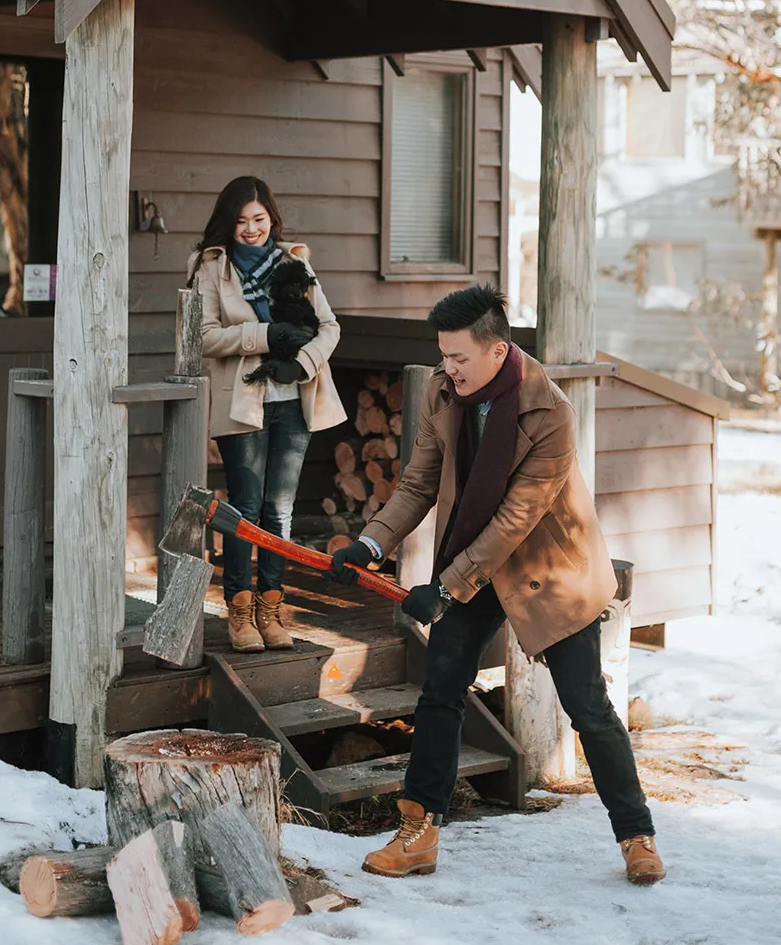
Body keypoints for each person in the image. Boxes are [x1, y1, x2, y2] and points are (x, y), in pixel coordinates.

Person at [327, 283, 664, 886]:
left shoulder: (551, 412)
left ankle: (637, 835)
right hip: (472, 561)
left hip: (546, 571)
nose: (447, 368)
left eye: (458, 357)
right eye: (443, 355)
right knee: (440, 693)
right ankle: (418, 832)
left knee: (589, 708)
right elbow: (418, 483)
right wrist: (372, 541)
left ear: (497, 350)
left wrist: (447, 587)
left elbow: (516, 519)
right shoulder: (441, 391)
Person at [190, 175, 345, 653]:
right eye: (241, 221)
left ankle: (271, 608)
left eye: (259, 219)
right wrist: (266, 336)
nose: (251, 229)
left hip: (293, 401)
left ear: (271, 219)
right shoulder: (211, 267)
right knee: (245, 507)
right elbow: (203, 337)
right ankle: (238, 612)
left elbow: (329, 327)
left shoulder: (294, 263)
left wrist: (300, 361)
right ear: (228, 224)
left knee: (280, 511)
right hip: (244, 403)